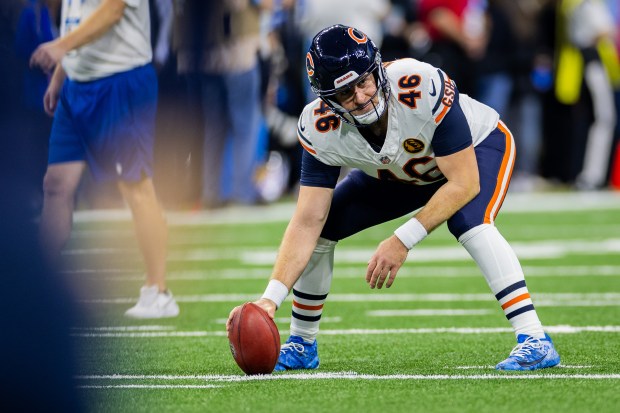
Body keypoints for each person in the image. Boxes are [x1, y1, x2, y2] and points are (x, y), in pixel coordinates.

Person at [227, 24, 561, 372]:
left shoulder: (419, 83)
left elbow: (463, 184)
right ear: (326, 100)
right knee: (323, 228)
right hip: (400, 172)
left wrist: (402, 240)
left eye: (364, 82)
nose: (360, 97)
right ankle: (302, 343)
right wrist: (270, 300)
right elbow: (307, 220)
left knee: (469, 221)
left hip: (474, 151)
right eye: (345, 94)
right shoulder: (318, 127)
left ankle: (534, 338)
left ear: (378, 69)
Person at [29, 0, 179, 319]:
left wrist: (59, 47)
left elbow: (113, 8)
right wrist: (60, 75)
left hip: (120, 81)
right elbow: (76, 18)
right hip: (77, 84)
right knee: (56, 184)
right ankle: (38, 290)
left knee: (135, 187)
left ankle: (160, 291)